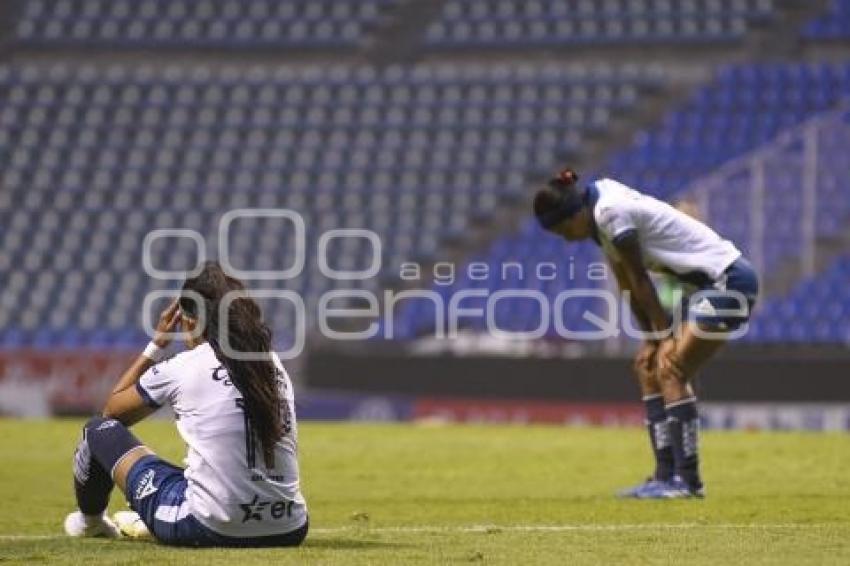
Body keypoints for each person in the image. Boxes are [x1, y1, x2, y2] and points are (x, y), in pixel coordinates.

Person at [533, 169, 759, 498]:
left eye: (565, 229)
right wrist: (651, 339)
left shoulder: (610, 212)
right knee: (648, 367)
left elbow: (641, 280)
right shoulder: (598, 218)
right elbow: (626, 284)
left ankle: (688, 482)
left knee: (672, 368)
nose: (567, 238)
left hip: (728, 281)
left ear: (576, 213)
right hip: (701, 289)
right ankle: (663, 477)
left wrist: (664, 337)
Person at [64, 261, 308, 546]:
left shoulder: (184, 365)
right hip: (290, 527)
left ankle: (90, 523)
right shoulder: (270, 364)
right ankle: (148, 516)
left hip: (211, 526)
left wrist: (156, 345)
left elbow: (112, 412)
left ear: (189, 321)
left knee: (98, 430)